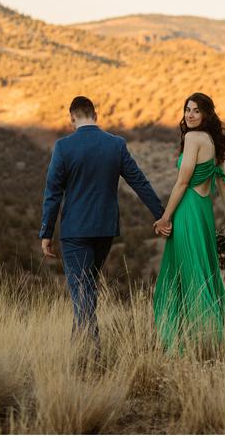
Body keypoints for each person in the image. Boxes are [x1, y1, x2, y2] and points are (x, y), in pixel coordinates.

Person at [39, 96, 169, 355]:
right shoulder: (115, 144)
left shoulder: (63, 147)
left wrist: (46, 232)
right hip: (105, 230)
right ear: (95, 115)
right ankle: (79, 346)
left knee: (80, 287)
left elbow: (53, 193)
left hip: (75, 230)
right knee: (88, 285)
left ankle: (92, 347)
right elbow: (139, 182)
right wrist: (162, 215)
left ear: (72, 118)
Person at [152, 92, 225, 359]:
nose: (190, 115)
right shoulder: (213, 141)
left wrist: (165, 217)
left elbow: (182, 182)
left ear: (206, 114)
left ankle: (192, 342)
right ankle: (207, 339)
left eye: (196, 110)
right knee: (204, 274)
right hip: (205, 212)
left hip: (189, 211)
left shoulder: (193, 138)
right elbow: (223, 184)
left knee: (183, 276)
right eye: (187, 110)